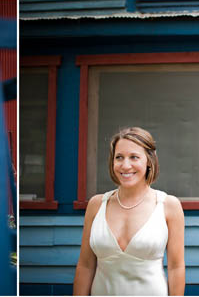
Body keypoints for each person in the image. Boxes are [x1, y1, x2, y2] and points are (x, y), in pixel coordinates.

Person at [74, 127, 185, 296]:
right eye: (119, 157)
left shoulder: (168, 205)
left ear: (149, 160)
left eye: (134, 157)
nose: (125, 165)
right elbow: (85, 265)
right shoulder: (97, 205)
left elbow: (176, 268)